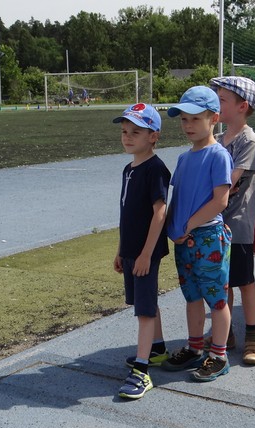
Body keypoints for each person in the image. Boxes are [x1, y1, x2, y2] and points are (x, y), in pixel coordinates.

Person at [160, 86, 233, 382]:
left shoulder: (218, 155)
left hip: (208, 237)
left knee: (216, 300)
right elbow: (177, 197)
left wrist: (188, 225)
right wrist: (173, 228)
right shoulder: (183, 158)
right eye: (183, 119)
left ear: (214, 118)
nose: (188, 125)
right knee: (191, 297)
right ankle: (194, 348)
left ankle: (219, 356)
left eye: (195, 119)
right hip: (185, 240)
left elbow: (220, 201)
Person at [111, 103, 171, 399]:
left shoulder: (155, 169)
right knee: (144, 301)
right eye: (125, 131)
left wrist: (147, 253)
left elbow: (160, 212)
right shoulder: (128, 169)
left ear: (153, 136)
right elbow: (127, 214)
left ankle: (141, 371)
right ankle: (157, 348)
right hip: (132, 250)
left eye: (136, 132)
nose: (127, 137)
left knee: (144, 311)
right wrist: (121, 250)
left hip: (147, 251)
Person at [209, 76, 255, 366]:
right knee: (224, 282)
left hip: (238, 225)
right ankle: (226, 332)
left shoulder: (249, 140)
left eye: (222, 100)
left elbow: (230, 182)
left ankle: (252, 337)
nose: (216, 104)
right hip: (216, 223)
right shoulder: (218, 139)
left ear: (242, 106)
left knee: (245, 281)